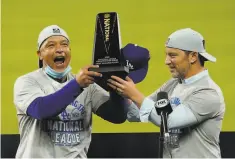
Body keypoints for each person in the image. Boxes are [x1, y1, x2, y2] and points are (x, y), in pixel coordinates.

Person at [13, 24, 135, 158]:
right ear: (40, 54)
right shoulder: (27, 82)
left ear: (70, 50)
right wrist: (77, 85)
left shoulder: (87, 85)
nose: (59, 49)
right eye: (51, 45)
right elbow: (41, 110)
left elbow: (117, 116)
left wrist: (115, 86)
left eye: (64, 44)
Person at [108, 28, 226, 158]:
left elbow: (168, 122)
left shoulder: (208, 93)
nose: (166, 61)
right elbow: (135, 114)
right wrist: (118, 88)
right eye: (167, 55)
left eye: (173, 55)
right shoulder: (173, 83)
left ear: (193, 56)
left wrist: (134, 94)